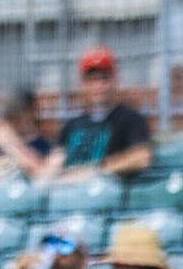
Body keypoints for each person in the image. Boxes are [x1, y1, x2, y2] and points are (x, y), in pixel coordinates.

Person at [43, 46, 151, 183]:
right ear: (83, 84)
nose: (98, 86)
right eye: (92, 80)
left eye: (104, 79)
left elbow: (141, 158)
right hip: (70, 195)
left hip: (108, 196)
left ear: (115, 81)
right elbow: (53, 163)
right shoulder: (72, 125)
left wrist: (95, 171)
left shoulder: (131, 119)